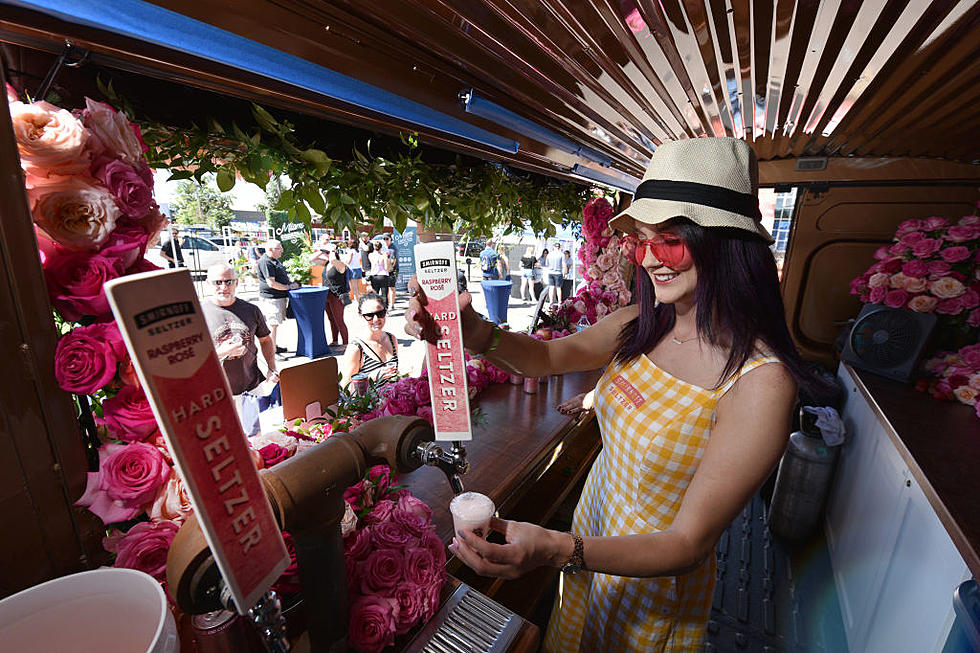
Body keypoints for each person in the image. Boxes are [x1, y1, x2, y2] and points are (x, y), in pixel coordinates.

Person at [405, 138, 829, 653]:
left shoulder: (759, 381)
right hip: (588, 553)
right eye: (639, 242)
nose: (650, 260)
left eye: (668, 241)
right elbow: (547, 358)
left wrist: (559, 548)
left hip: (648, 579)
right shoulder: (641, 324)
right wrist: (469, 330)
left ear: (724, 241)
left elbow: (687, 544)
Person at [202, 263, 277, 436]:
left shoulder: (251, 310)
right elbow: (192, 357)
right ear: (207, 284)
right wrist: (221, 352)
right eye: (217, 282)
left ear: (236, 283)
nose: (224, 287)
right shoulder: (199, 314)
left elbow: (265, 340)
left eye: (229, 282)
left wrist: (271, 367)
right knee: (227, 440)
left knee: (254, 437)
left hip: (250, 389)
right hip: (216, 394)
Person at [342, 293, 399, 386]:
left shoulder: (391, 339)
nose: (376, 319)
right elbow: (346, 388)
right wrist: (371, 377)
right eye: (369, 315)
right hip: (369, 400)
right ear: (360, 316)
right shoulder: (356, 348)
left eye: (380, 313)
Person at [256, 239, 299, 354]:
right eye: (279, 248)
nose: (282, 250)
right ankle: (271, 350)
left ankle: (273, 346)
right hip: (272, 298)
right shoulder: (266, 262)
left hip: (277, 297)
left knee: (275, 324)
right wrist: (289, 287)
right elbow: (271, 283)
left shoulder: (272, 260)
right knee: (273, 324)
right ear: (270, 249)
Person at [310, 242, 350, 350]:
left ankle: (346, 343)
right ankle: (335, 340)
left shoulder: (340, 264)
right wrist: (321, 251)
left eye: (328, 252)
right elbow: (311, 259)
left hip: (337, 296)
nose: (327, 254)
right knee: (331, 319)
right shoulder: (326, 263)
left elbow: (333, 260)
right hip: (327, 296)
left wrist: (332, 250)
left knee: (339, 320)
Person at [382, 233, 398, 308]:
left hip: (392, 270)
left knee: (391, 287)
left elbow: (393, 262)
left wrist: (388, 270)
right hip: (386, 270)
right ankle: (388, 304)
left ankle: (392, 305)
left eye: (387, 239)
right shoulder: (385, 248)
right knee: (387, 288)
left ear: (390, 239)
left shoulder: (392, 249)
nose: (385, 240)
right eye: (384, 239)